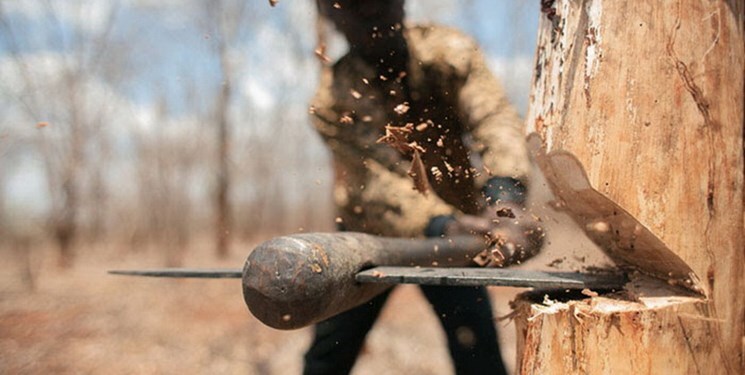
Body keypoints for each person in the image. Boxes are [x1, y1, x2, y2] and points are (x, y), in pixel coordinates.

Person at [304, 1, 544, 374]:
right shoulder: (332, 100)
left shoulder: (449, 53)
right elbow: (376, 184)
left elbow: (493, 120)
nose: (370, 11)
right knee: (329, 356)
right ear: (330, 14)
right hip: (367, 239)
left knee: (476, 349)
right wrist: (444, 225)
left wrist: (505, 198)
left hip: (457, 238)